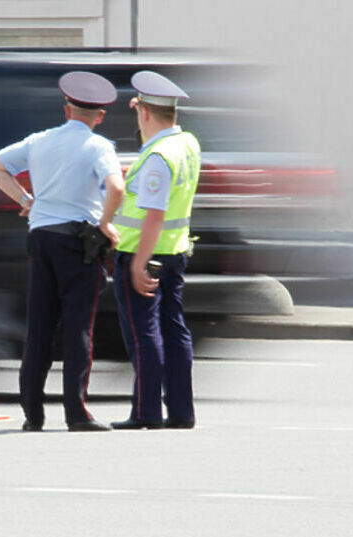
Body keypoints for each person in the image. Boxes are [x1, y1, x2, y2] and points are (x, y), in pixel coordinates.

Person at [0, 71, 126, 432]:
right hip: (79, 243)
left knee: (40, 327)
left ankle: (33, 414)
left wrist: (26, 200)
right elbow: (117, 187)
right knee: (78, 328)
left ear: (66, 109)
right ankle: (76, 413)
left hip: (41, 238)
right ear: (100, 115)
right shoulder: (99, 146)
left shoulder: (39, 141)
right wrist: (106, 223)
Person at [110, 71, 201, 431]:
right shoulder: (187, 144)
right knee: (174, 330)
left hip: (144, 254)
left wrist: (138, 264)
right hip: (175, 253)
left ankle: (146, 411)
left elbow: (154, 215)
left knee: (143, 334)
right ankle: (181, 411)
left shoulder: (157, 158)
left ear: (143, 113)